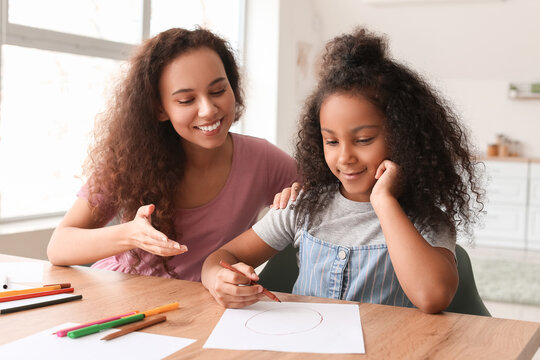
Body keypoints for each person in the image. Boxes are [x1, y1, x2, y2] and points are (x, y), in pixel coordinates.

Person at [201, 27, 484, 313]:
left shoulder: (427, 221)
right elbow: (221, 257)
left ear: (403, 137)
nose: (345, 156)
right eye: (332, 141)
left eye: (363, 140)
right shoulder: (302, 208)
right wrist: (218, 279)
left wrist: (384, 202)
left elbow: (433, 297)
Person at [47, 28, 299, 281]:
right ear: (159, 109)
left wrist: (297, 195)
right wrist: (131, 234)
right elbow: (58, 247)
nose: (208, 110)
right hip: (121, 297)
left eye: (218, 91)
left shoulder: (262, 160)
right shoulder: (130, 159)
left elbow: (327, 198)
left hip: (203, 308)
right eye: (187, 100)